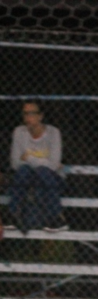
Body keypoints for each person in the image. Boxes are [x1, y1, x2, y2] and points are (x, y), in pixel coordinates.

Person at [7, 99, 67, 232]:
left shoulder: (53, 133)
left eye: (32, 113)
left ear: (41, 116)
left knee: (42, 171)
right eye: (25, 113)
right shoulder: (19, 132)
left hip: (52, 180)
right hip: (27, 178)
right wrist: (42, 161)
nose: (27, 117)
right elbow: (15, 163)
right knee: (24, 170)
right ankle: (12, 216)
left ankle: (56, 219)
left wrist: (28, 158)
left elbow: (53, 165)